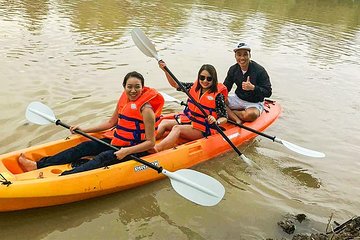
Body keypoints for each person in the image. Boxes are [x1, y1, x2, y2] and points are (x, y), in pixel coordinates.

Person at [18, 71, 164, 175]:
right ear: (124, 86)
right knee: (84, 146)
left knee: (104, 157)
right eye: (129, 86)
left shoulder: (146, 110)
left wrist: (126, 151)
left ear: (143, 87)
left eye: (137, 87)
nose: (133, 90)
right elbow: (110, 123)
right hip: (116, 141)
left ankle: (65, 177)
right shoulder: (124, 101)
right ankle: (37, 165)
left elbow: (150, 143)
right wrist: (84, 129)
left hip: (135, 149)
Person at [154, 61, 228, 152]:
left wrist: (216, 121)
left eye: (209, 79)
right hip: (189, 120)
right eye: (202, 77)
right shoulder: (193, 87)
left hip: (203, 128)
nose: (205, 81)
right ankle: (148, 142)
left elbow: (224, 117)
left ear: (213, 80)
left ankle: (157, 149)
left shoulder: (217, 96)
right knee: (164, 122)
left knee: (177, 128)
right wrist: (165, 70)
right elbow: (175, 84)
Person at [224, 42, 272, 123]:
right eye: (239, 55)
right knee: (217, 101)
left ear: (250, 55)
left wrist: (253, 88)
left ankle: (231, 114)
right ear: (235, 56)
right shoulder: (233, 69)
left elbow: (268, 92)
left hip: (254, 102)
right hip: (238, 98)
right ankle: (235, 116)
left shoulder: (260, 70)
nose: (242, 58)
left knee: (251, 115)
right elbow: (225, 88)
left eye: (245, 54)